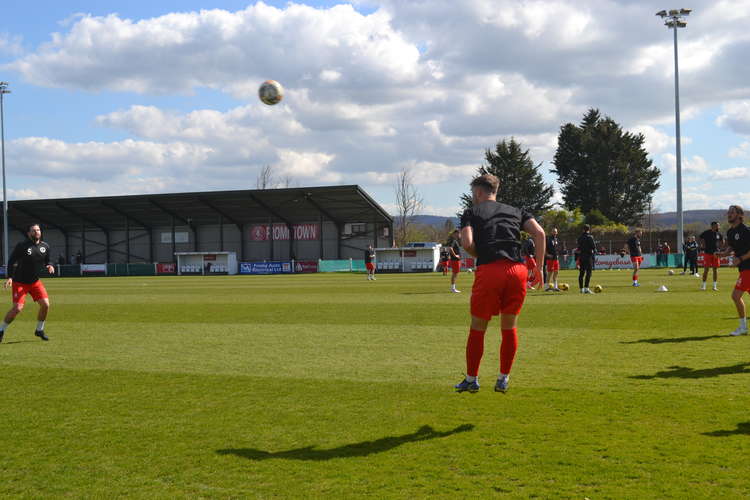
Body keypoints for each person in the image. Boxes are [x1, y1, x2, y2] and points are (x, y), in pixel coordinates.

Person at [454, 174, 545, 394]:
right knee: (509, 327)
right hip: (517, 272)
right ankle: (503, 378)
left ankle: (472, 379)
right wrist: (539, 268)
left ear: (478, 192)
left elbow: (466, 242)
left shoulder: (471, 212)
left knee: (478, 328)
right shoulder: (516, 211)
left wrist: (481, 254)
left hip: (490, 271)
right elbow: (540, 233)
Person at [0, 223, 55, 343]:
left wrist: (50, 265)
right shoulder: (22, 246)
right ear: (29, 233)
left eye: (38, 230)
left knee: (45, 305)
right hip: (20, 282)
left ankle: (39, 330)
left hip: (35, 281)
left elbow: (48, 260)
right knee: (17, 308)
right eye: (34, 230)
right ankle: (1, 330)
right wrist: (10, 277)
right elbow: (11, 261)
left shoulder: (45, 246)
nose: (37, 232)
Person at [717, 206, 750, 336]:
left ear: (739, 215)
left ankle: (743, 328)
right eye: (728, 212)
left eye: (732, 212)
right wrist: (723, 254)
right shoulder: (730, 232)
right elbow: (731, 247)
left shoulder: (746, 230)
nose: (729, 214)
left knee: (735, 296)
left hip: (748, 268)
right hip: (743, 268)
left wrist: (740, 259)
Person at [700, 221, 724, 291]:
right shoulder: (707, 232)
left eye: (718, 226)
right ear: (713, 226)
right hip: (707, 253)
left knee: (715, 270)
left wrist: (720, 248)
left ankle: (714, 286)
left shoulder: (719, 234)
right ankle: (703, 286)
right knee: (706, 270)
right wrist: (703, 245)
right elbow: (701, 238)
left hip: (716, 254)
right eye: (717, 225)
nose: (718, 227)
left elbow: (722, 241)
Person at [577, 225, 596, 294]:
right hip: (588, 257)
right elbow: (594, 247)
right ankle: (586, 288)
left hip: (581, 257)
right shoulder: (590, 237)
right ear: (589, 229)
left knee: (581, 273)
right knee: (588, 273)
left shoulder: (580, 238)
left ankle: (581, 289)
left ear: (583, 229)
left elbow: (578, 247)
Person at [544, 227, 561, 291]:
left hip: (556, 258)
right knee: (550, 272)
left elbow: (556, 248)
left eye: (555, 231)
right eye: (553, 231)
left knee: (556, 272)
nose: (555, 233)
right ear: (551, 232)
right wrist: (547, 254)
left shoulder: (556, 239)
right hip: (550, 258)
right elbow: (544, 247)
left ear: (557, 232)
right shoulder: (548, 238)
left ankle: (555, 287)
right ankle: (546, 287)